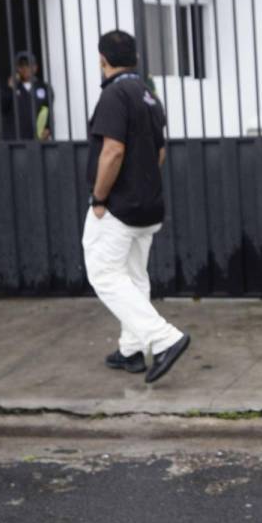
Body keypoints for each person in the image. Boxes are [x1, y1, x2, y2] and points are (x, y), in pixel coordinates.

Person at [84, 30, 190, 384]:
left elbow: (112, 151)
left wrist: (100, 198)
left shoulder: (114, 94)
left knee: (104, 273)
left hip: (118, 207)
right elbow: (159, 152)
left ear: (103, 60)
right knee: (133, 276)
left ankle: (165, 338)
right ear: (137, 60)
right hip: (148, 205)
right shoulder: (148, 94)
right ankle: (131, 349)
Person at [2, 51, 54, 140]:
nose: (25, 68)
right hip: (15, 141)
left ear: (35, 67)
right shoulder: (10, 87)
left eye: (28, 64)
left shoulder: (44, 88)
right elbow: (1, 108)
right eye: (22, 65)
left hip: (37, 140)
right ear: (17, 68)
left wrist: (48, 129)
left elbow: (48, 111)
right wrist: (9, 88)